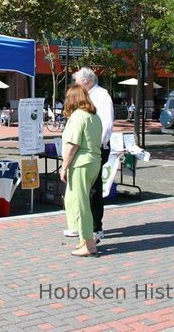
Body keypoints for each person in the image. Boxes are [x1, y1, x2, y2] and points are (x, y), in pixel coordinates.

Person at [59, 84, 103, 256]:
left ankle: (88, 243)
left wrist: (64, 167)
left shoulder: (78, 116)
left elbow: (73, 144)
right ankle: (84, 240)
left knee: (80, 202)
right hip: (94, 161)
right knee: (78, 200)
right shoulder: (94, 116)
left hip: (81, 163)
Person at [72, 67, 115, 243]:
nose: (76, 86)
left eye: (78, 82)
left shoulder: (102, 96)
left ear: (87, 82)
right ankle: (86, 225)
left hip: (96, 148)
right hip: (88, 147)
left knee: (94, 188)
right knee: (86, 188)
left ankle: (96, 227)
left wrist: (97, 145)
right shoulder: (88, 96)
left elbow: (107, 124)